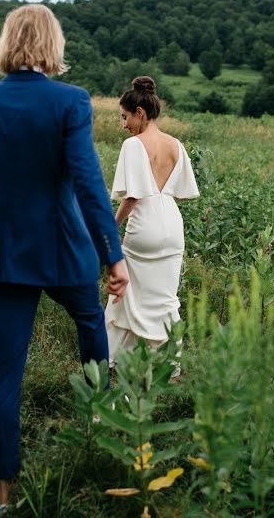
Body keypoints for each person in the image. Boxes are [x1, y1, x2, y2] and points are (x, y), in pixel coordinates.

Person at [0, 4, 128, 516]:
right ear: (53, 44)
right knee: (90, 320)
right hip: (62, 247)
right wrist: (112, 255)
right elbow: (89, 183)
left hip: (0, 252)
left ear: (7, 43)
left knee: (4, 372)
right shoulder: (71, 102)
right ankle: (96, 421)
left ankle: (3, 496)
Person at [104, 76, 199, 365]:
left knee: (124, 296)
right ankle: (169, 363)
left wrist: (110, 227)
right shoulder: (175, 144)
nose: (123, 125)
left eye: (124, 117)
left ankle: (116, 359)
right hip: (171, 224)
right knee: (165, 298)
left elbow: (132, 197)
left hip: (144, 226)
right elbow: (182, 193)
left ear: (140, 113)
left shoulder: (134, 145)